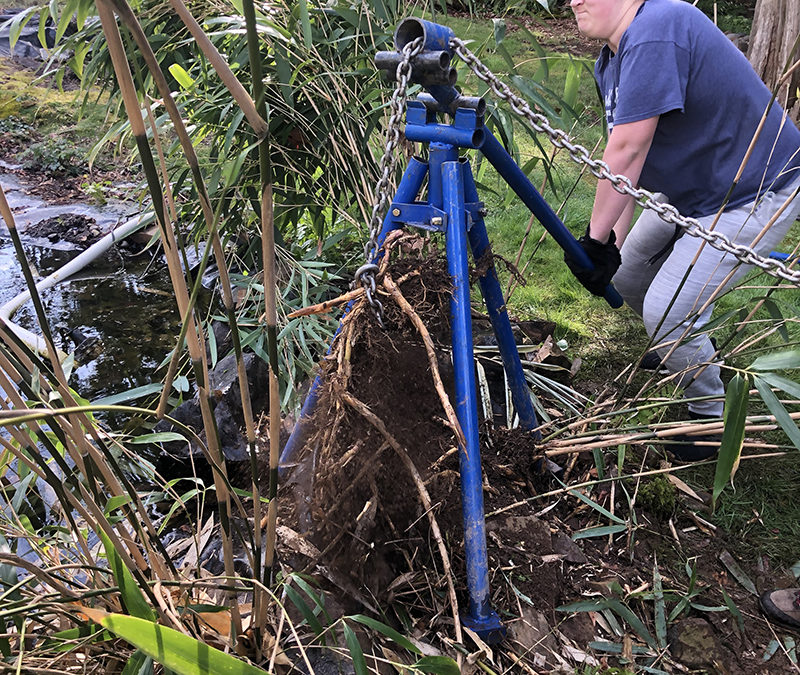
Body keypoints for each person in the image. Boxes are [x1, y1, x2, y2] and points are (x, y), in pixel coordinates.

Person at [564, 0, 800, 460]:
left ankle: (710, 416)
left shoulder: (657, 28)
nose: (573, 0)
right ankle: (684, 350)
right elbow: (632, 162)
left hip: (757, 190)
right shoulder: (611, 62)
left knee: (668, 311)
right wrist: (610, 242)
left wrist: (592, 240)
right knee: (629, 276)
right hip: (695, 194)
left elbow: (626, 150)